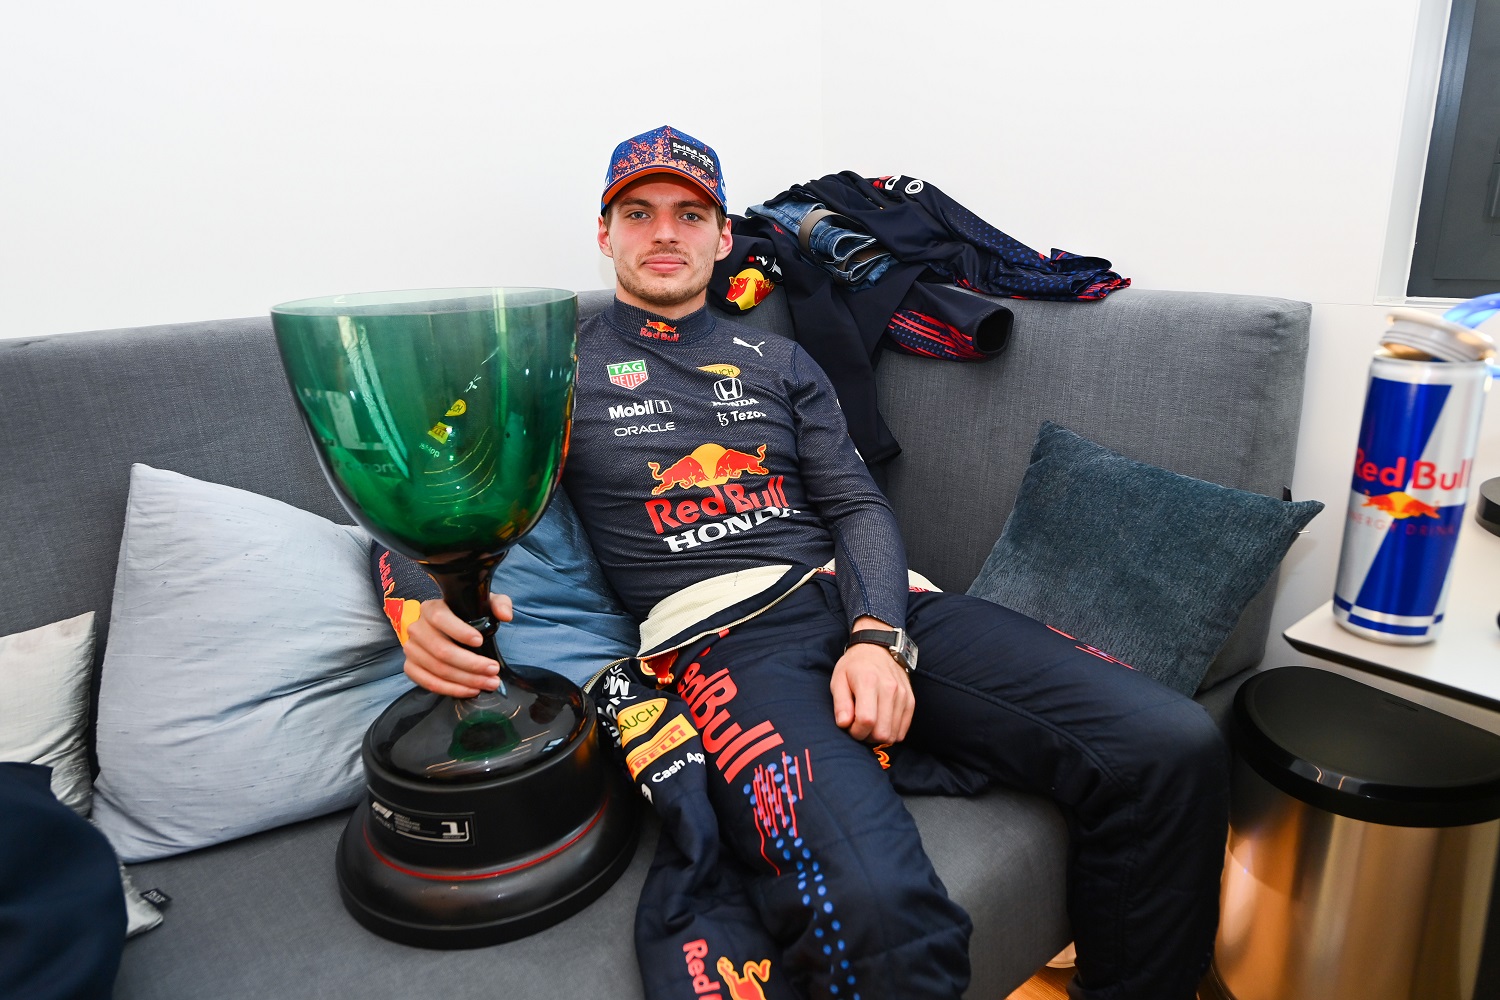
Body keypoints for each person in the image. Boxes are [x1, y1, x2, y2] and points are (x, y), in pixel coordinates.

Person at [401, 125, 1228, 1000]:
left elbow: (856, 503)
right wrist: (427, 601)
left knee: (1169, 744)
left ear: (725, 238)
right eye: (638, 213)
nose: (665, 233)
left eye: (691, 213)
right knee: (873, 907)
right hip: (719, 640)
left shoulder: (779, 358)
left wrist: (877, 638)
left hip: (863, 598)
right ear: (604, 235)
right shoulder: (549, 369)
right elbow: (439, 487)